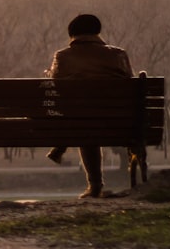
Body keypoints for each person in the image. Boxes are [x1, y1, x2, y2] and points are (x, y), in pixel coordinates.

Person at [45, 13, 133, 198]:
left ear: (72, 35)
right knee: (87, 120)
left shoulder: (63, 57)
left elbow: (55, 88)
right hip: (121, 123)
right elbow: (130, 85)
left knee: (84, 122)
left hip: (82, 122)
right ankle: (136, 182)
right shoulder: (118, 55)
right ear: (97, 32)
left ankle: (94, 185)